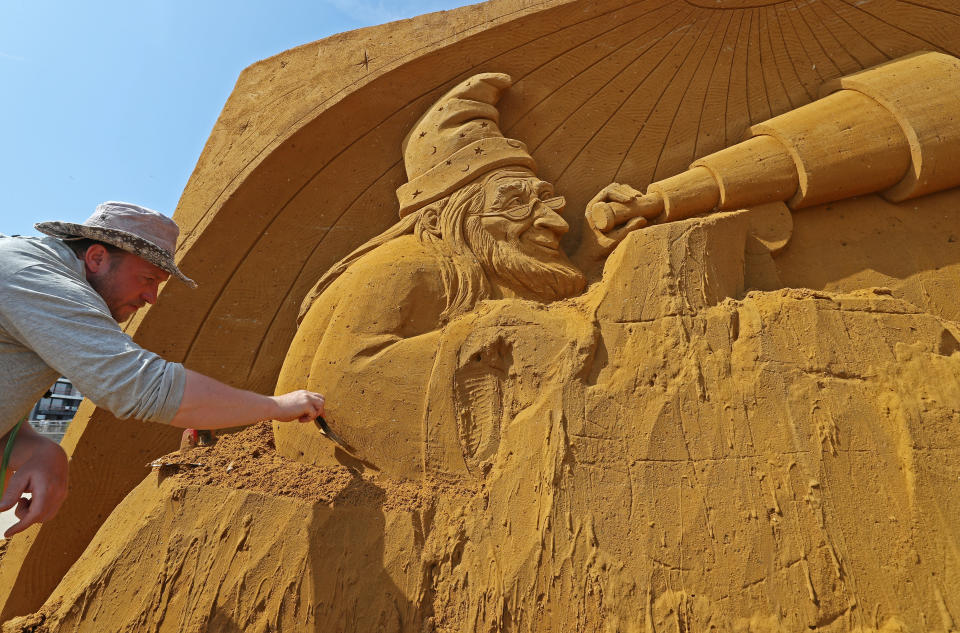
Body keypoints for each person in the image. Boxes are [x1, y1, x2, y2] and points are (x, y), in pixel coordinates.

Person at [275, 73, 653, 474]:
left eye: (545, 200)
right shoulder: (405, 264)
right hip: (340, 482)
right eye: (514, 205)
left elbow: (538, 301)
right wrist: (508, 332)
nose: (556, 223)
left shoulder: (479, 262)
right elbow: (342, 391)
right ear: (442, 221)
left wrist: (590, 253)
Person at [0, 202, 326, 538]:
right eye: (147, 279)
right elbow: (139, 387)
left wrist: (36, 446)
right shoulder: (35, 279)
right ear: (96, 258)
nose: (151, 297)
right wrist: (275, 407)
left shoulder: (28, 271)